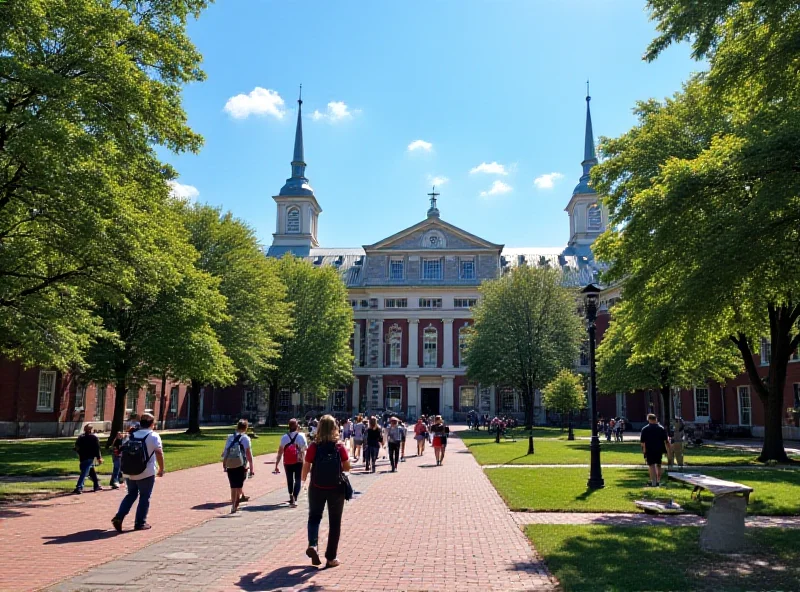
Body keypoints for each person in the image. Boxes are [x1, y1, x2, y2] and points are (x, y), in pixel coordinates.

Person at [302, 414, 351, 569]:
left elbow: (306, 465)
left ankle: (313, 544)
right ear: (335, 428)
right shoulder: (339, 446)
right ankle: (331, 557)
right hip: (336, 487)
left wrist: (303, 481)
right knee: (335, 523)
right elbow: (347, 466)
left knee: (314, 517)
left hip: (317, 486)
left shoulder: (314, 446)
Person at [112, 413, 164, 531]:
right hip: (146, 471)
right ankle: (140, 522)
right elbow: (159, 453)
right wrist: (161, 468)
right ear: (152, 424)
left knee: (131, 494)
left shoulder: (131, 435)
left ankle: (119, 517)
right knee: (145, 496)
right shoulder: (153, 436)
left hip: (129, 470)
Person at [222, 419, 255, 514]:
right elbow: (248, 454)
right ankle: (236, 502)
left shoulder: (230, 437)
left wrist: (224, 463)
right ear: (245, 428)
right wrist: (251, 467)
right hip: (241, 464)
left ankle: (233, 505)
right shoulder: (245, 438)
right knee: (239, 485)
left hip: (230, 464)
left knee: (233, 485)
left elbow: (226, 451)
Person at [274, 418, 308, 507]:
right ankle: (295, 497)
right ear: (297, 426)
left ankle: (290, 495)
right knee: (298, 479)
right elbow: (305, 449)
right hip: (298, 461)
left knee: (289, 479)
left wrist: (276, 464)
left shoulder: (284, 437)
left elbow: (280, 452)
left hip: (287, 461)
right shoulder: (301, 436)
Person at [640, 413, 671, 487]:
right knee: (658, 465)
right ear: (655, 419)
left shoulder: (645, 429)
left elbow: (642, 443)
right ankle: (658, 481)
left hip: (649, 449)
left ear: (649, 419)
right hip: (659, 449)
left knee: (651, 465)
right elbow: (666, 441)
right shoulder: (661, 428)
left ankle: (653, 482)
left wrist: (644, 451)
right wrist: (668, 450)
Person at [73, 424, 103, 494]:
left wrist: (79, 452)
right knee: (85, 473)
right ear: (91, 430)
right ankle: (79, 487)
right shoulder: (94, 438)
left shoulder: (80, 438)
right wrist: (99, 458)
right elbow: (97, 449)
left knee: (89, 471)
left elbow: (76, 447)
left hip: (83, 457)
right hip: (90, 457)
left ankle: (96, 485)